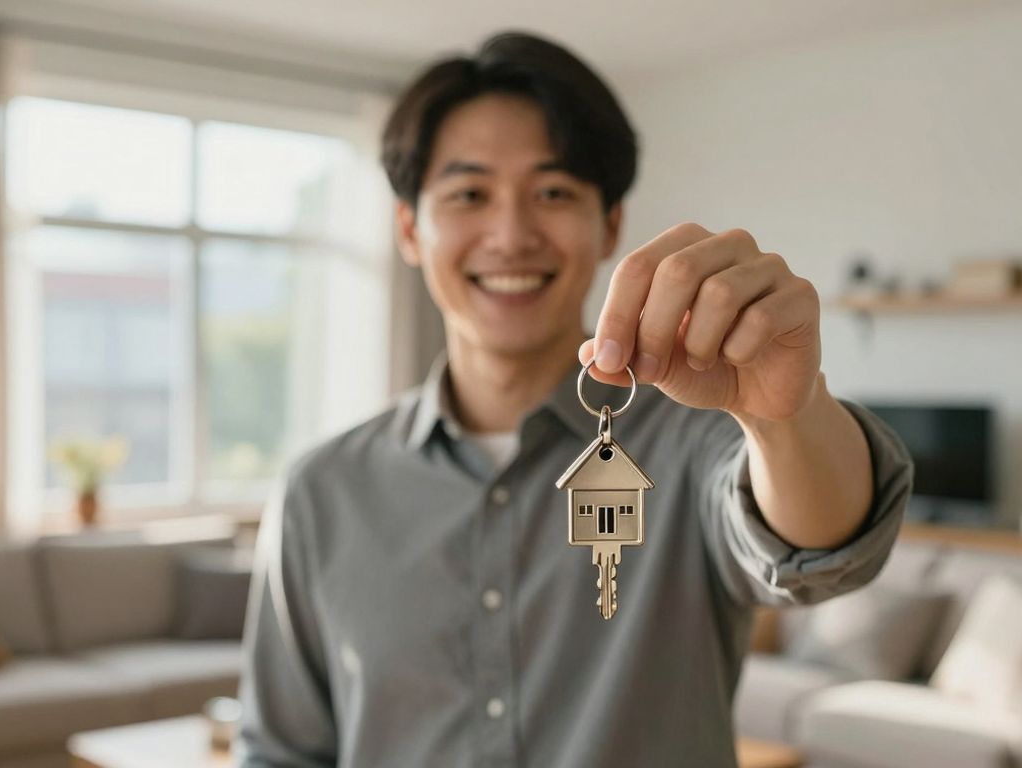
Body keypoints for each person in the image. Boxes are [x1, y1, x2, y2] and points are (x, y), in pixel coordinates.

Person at [237, 30, 913, 768]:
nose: (511, 234)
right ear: (409, 228)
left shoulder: (699, 436)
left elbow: (822, 545)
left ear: (609, 226)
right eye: (469, 194)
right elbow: (282, 752)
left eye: (553, 192)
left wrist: (783, 415)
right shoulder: (321, 491)